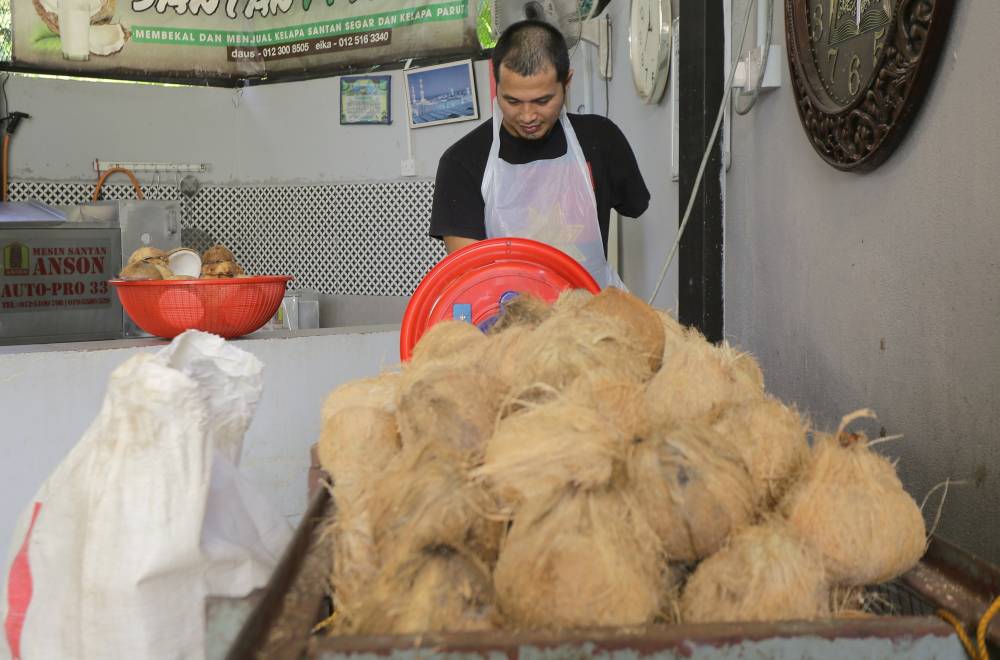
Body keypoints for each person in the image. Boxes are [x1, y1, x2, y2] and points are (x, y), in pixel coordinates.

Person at [428, 19, 651, 289]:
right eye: (512, 101)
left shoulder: (601, 140)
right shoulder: (462, 161)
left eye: (543, 101)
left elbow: (635, 205)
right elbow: (472, 274)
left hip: (593, 318)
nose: (528, 116)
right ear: (496, 82)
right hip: (509, 322)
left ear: (566, 82)